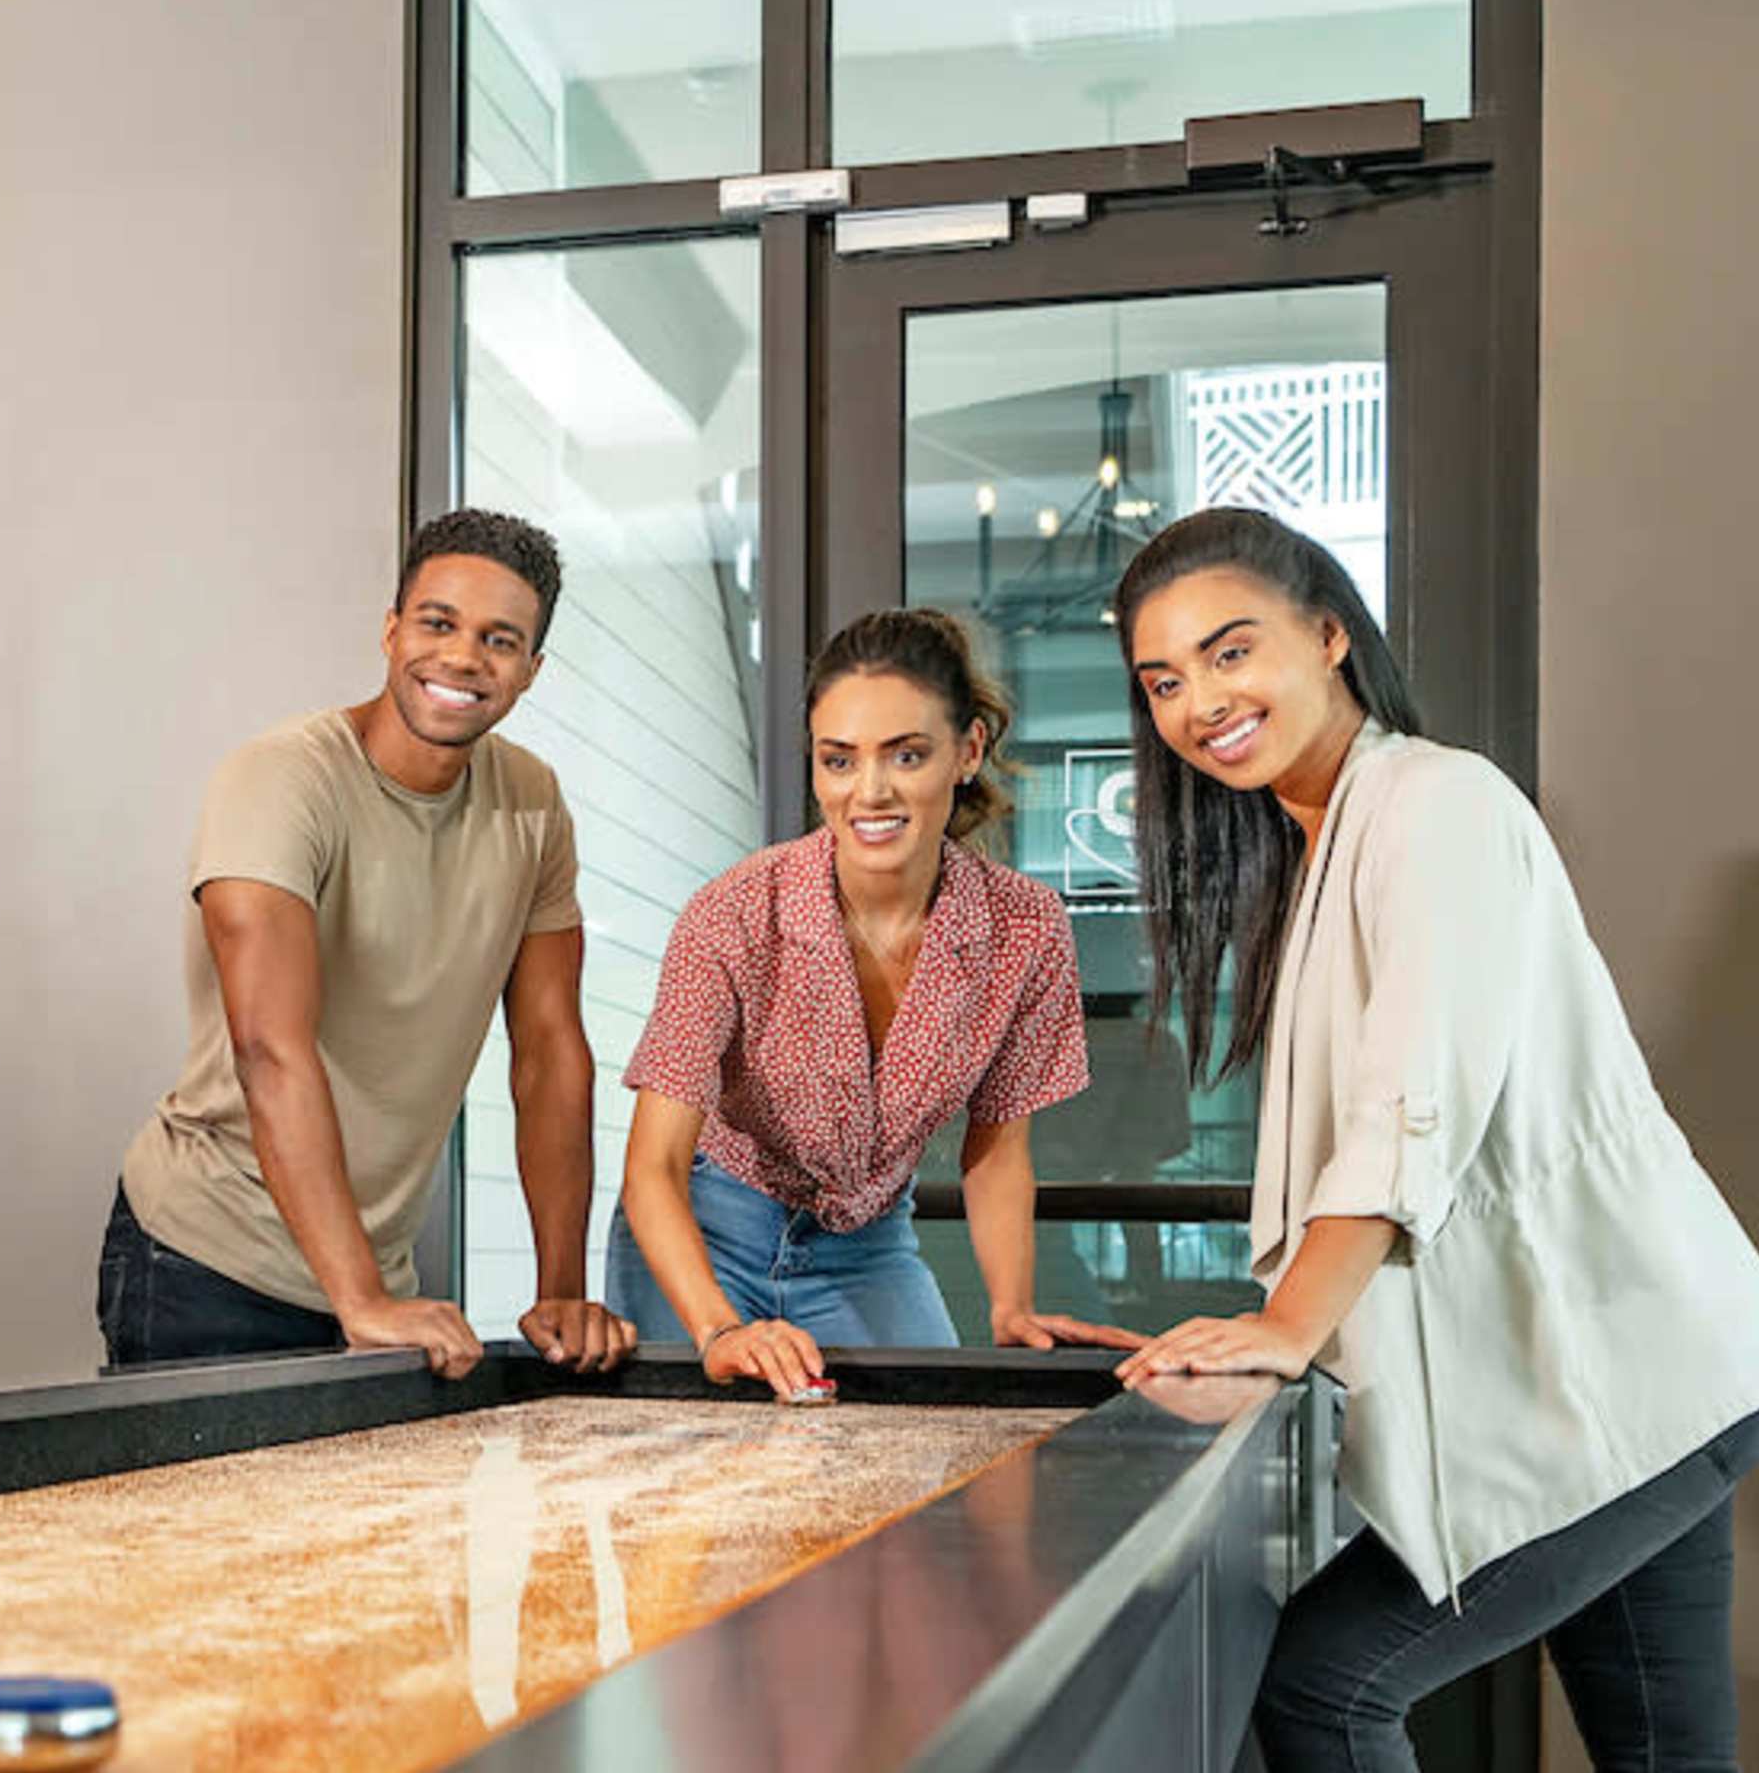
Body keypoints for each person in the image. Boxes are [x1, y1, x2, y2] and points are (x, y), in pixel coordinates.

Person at [1102, 508, 1759, 1773]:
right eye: (1164, 677)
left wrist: (1291, 1319)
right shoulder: (1321, 839)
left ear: (1332, 631)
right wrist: (1279, 1311)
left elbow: (1416, 1101)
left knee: (1330, 1683)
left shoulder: (1444, 805)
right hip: (1633, 1374)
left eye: (1233, 648)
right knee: (1666, 1771)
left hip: (1643, 1371)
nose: (1201, 700)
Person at [100, 509, 634, 1379]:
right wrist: (360, 1301)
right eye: (437, 623)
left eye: (500, 640)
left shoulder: (533, 804)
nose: (463, 658)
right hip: (204, 1264)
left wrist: (562, 1291)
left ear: (532, 671)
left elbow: (548, 1055)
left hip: (371, 1279)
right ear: (391, 632)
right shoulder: (280, 782)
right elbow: (270, 1048)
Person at [611, 608, 1134, 1399]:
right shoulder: (732, 913)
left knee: (940, 1454)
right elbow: (651, 1167)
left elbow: (995, 1150)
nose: (871, 791)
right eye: (840, 760)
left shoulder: (1026, 929)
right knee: (694, 1489)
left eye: (907, 754)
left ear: (967, 753)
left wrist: (1011, 1306)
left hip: (869, 1246)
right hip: (708, 1232)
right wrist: (718, 1329)